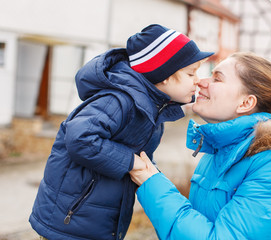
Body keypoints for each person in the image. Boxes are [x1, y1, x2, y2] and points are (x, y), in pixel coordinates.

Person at [29, 24, 213, 240]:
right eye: (191, 73)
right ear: (164, 74)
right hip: (70, 224)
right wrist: (131, 162)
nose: (198, 80)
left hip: (98, 223)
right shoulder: (118, 100)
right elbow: (80, 137)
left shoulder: (152, 109)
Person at [129, 52, 271, 239]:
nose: (201, 82)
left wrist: (154, 185)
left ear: (246, 103)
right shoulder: (221, 151)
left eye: (217, 78)